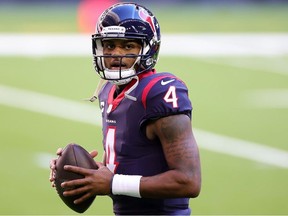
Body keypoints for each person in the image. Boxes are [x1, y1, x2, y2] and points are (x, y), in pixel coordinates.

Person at [49, 2, 201, 215]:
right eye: (109, 45)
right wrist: (83, 171)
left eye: (128, 46)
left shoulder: (159, 92)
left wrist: (112, 183)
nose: (116, 54)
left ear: (148, 49)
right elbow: (128, 163)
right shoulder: (108, 91)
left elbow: (188, 181)